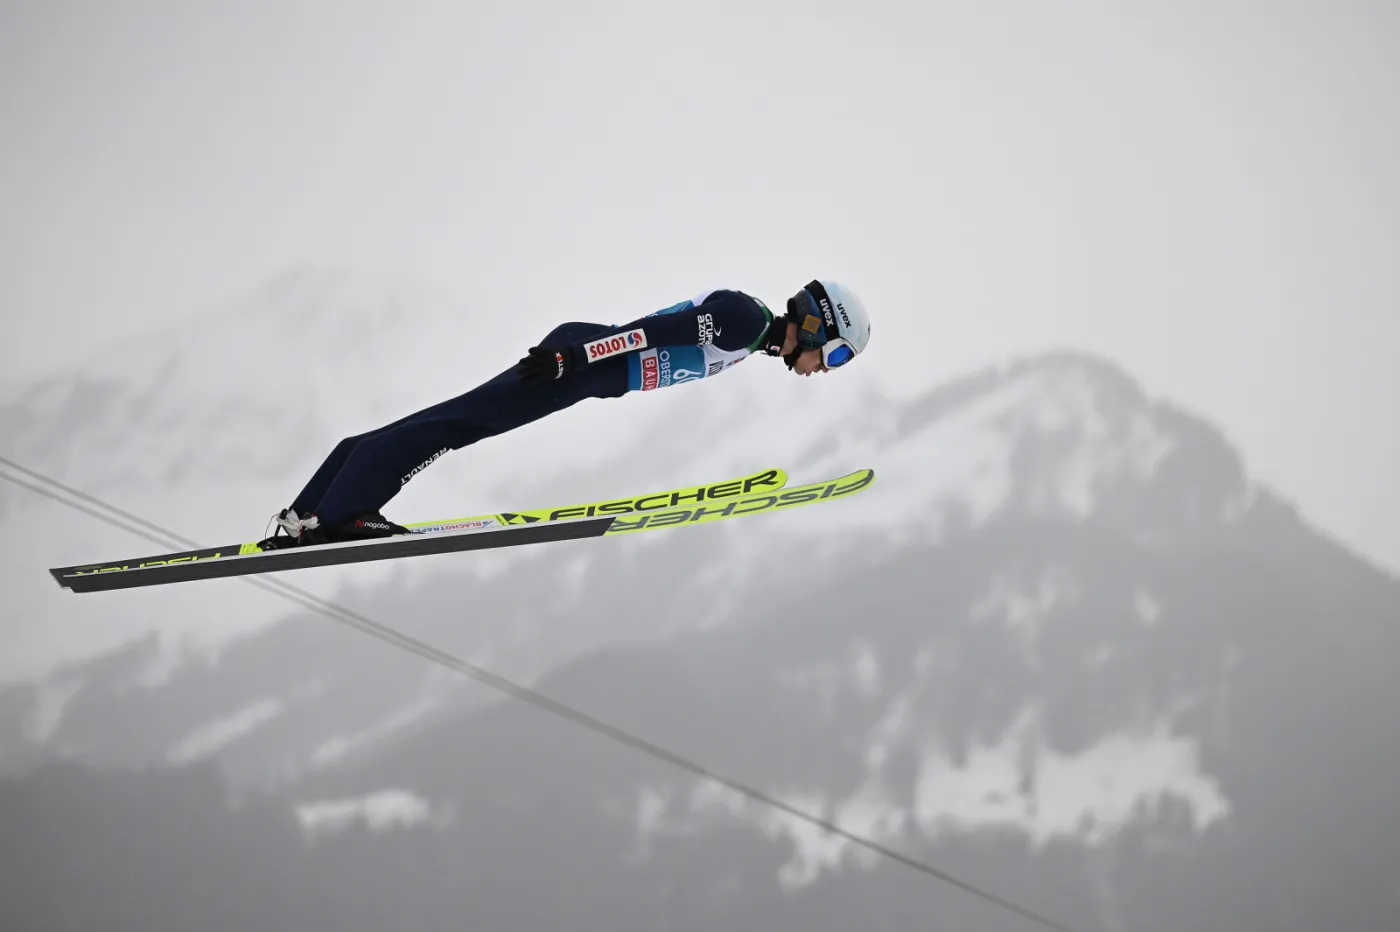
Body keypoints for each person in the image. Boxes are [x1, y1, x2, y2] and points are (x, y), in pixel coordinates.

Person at [258, 278, 872, 549]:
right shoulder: (747, 320)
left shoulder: (755, 332)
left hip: (585, 365)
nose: (826, 367)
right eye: (836, 353)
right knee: (466, 423)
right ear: (817, 322)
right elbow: (654, 331)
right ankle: (339, 516)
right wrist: (573, 356)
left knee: (463, 416)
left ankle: (312, 510)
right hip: (580, 360)